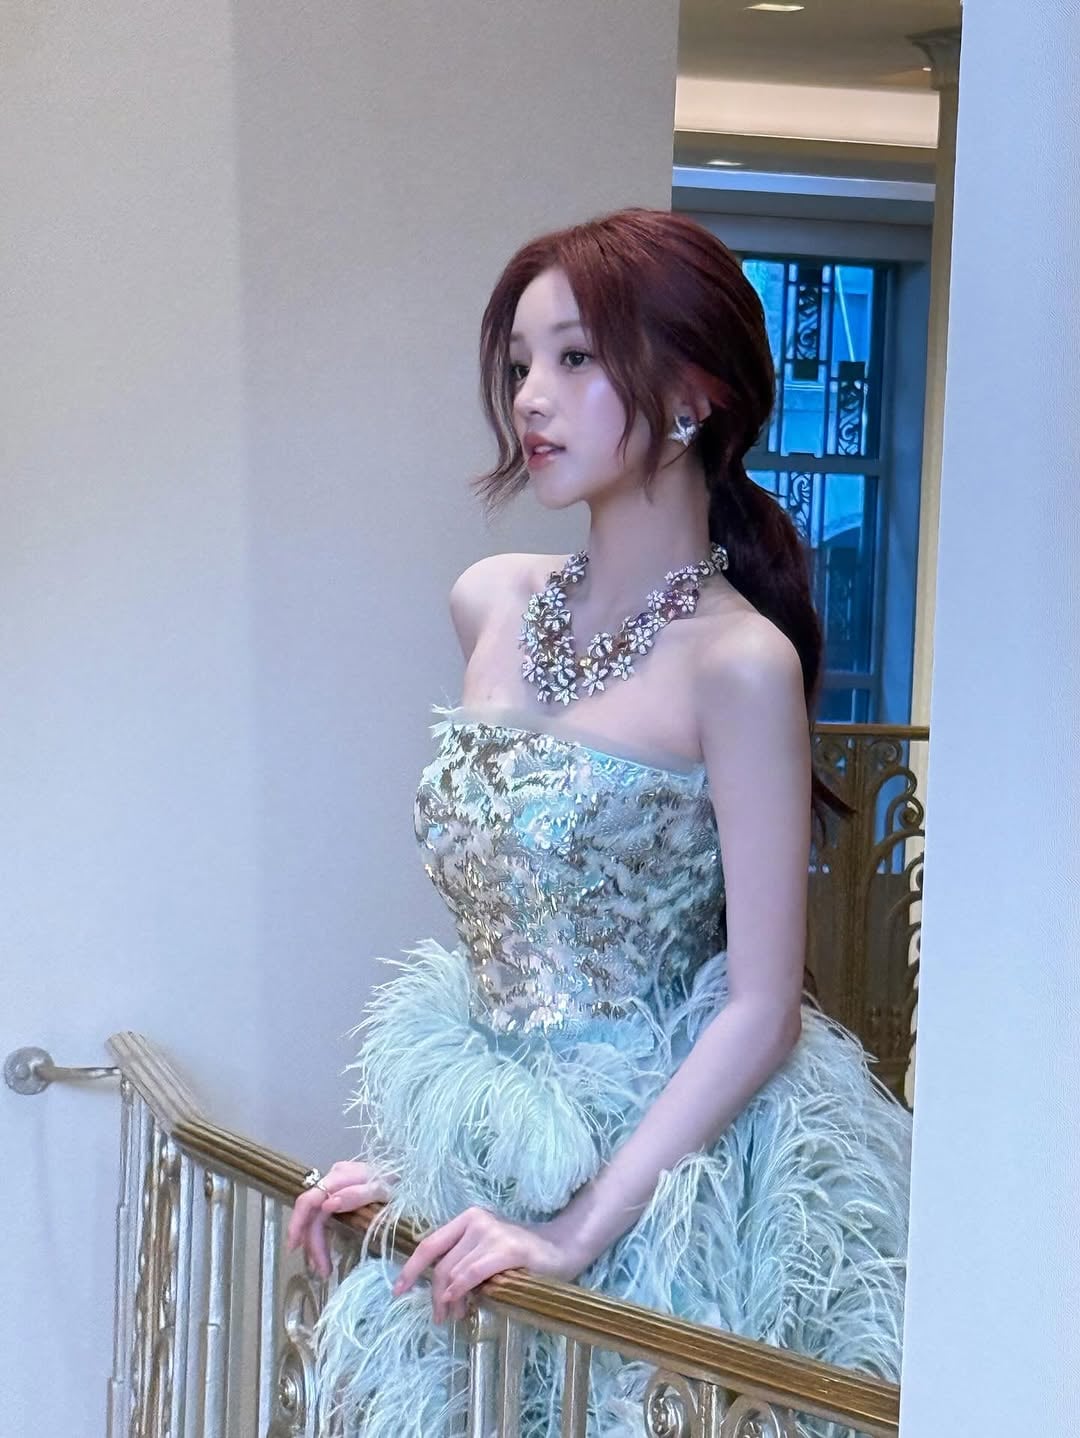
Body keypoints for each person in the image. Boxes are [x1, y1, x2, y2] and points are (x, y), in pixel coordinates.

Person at [286, 207, 912, 1437]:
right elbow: (519, 938)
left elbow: (761, 1004)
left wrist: (577, 1230)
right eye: (522, 361)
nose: (532, 396)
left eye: (575, 358)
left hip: (667, 1188)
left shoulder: (738, 663)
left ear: (690, 394)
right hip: (498, 1144)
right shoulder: (490, 602)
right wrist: (420, 1174)